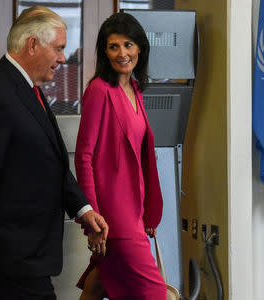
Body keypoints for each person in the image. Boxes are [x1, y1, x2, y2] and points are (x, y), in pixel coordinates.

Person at [0, 6, 108, 300]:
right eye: (59, 48)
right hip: (7, 254)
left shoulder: (25, 87)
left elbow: (50, 161)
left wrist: (83, 209)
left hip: (29, 252)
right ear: (33, 44)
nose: (63, 58)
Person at [75, 12, 166, 300]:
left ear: (140, 47)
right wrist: (92, 218)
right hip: (114, 216)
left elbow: (141, 156)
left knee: (97, 285)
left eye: (128, 45)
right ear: (105, 51)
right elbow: (83, 157)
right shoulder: (99, 91)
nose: (122, 53)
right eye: (114, 46)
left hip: (134, 209)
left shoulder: (136, 89)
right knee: (154, 293)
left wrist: (148, 208)